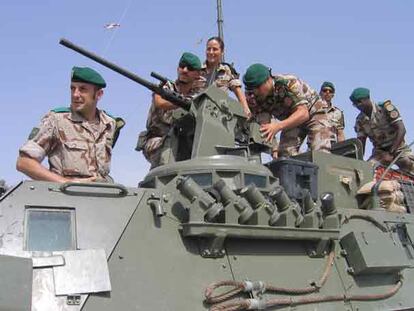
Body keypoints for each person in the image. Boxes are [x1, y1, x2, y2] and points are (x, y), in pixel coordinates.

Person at [16, 66, 124, 183]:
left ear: (99, 94)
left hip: (101, 196)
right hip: (65, 197)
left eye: (83, 89)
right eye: (73, 88)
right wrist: (66, 183)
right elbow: (24, 163)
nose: (75, 94)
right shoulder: (56, 120)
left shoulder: (109, 124)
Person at [243, 63, 332, 158]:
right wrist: (274, 149)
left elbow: (303, 113)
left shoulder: (288, 82)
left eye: (257, 88)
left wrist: (277, 126)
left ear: (268, 80)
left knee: (321, 153)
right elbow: (265, 127)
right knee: (284, 154)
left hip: (314, 113)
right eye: (251, 89)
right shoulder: (255, 97)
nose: (255, 92)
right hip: (292, 119)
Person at [138, 52, 202, 168]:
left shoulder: (197, 96)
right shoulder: (165, 87)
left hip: (184, 142)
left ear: (197, 74)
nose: (185, 70)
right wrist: (182, 103)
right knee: (170, 145)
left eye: (190, 68)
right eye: (182, 66)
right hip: (157, 139)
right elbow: (160, 103)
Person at [350, 87, 414, 174]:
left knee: (407, 164)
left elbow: (402, 130)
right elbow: (361, 143)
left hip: (398, 148)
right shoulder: (360, 121)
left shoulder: (385, 108)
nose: (357, 105)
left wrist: (391, 153)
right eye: (354, 104)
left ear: (367, 98)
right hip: (379, 152)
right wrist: (359, 162)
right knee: (367, 172)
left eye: (359, 102)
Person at [198, 36, 251, 118]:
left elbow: (237, 90)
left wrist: (246, 109)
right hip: (198, 111)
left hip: (219, 114)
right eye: (208, 49)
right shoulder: (197, 70)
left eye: (215, 49)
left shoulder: (227, 70)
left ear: (222, 52)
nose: (211, 52)